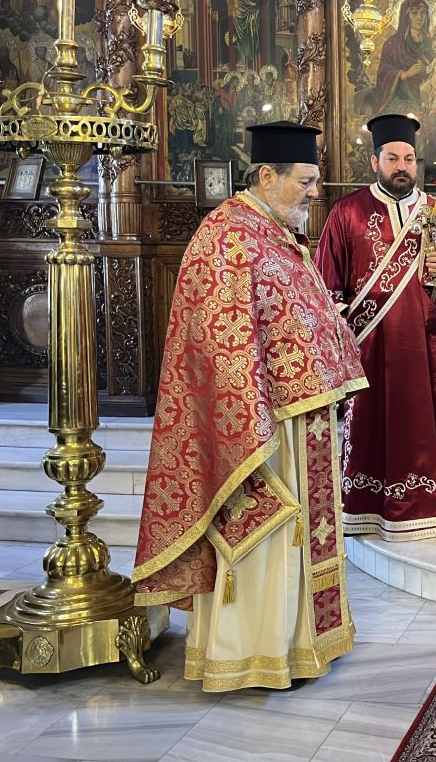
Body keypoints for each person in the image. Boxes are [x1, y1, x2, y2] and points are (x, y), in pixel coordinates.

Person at [132, 121, 366, 691]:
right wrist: (252, 420)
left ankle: (301, 642)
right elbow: (217, 340)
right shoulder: (226, 237)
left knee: (301, 538)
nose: (315, 193)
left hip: (302, 419)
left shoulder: (276, 233)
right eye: (305, 182)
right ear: (266, 176)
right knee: (267, 539)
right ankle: (257, 653)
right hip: (261, 429)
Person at [315, 113, 436, 541]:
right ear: (375, 161)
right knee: (366, 425)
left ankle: (414, 505)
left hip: (417, 344)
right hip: (366, 347)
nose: (402, 167)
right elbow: (327, 284)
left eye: (409, 159)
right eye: (393, 158)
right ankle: (362, 506)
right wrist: (345, 336)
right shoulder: (347, 212)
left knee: (412, 426)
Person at [373, 0, 432, 113]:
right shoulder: (393, 44)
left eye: (423, 13)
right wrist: (404, 74)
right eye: (414, 13)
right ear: (406, 16)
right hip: (402, 99)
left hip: (429, 98)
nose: (420, 18)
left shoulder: (434, 45)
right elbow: (383, 73)